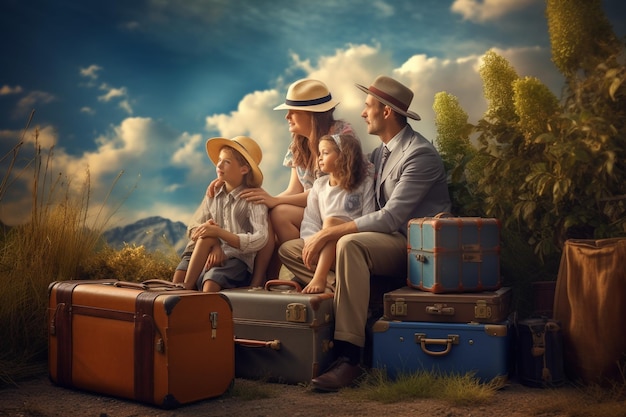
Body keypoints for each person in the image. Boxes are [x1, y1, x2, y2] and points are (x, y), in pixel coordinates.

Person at [279, 75, 452, 391]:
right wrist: (318, 229)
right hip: (383, 241)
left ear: (386, 112)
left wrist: (330, 234)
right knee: (293, 248)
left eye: (368, 106)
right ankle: (347, 294)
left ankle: (350, 358)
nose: (362, 113)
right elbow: (344, 187)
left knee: (348, 244)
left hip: (414, 248)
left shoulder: (419, 154)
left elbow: (391, 217)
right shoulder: (378, 155)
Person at [208, 79, 360, 285]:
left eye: (293, 111)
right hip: (314, 211)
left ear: (312, 114)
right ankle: (264, 279)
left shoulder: (340, 136)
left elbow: (327, 191)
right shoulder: (298, 143)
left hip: (339, 211)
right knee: (268, 211)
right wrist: (261, 199)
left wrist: (274, 201)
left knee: (279, 213)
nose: (287, 116)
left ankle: (305, 271)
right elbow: (294, 190)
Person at [172, 135, 269, 292]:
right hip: (207, 251)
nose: (219, 165)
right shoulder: (214, 192)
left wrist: (219, 233)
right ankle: (184, 292)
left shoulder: (252, 198)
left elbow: (260, 238)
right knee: (177, 278)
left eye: (227, 162)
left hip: (235, 258)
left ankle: (190, 294)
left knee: (210, 285)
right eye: (219, 160)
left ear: (244, 169)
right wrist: (215, 243)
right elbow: (193, 228)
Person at [289, 133, 375, 294]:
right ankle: (333, 282)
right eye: (319, 153)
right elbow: (311, 221)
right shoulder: (319, 185)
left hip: (351, 243)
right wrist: (313, 242)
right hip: (323, 245)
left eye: (326, 153)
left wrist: (330, 232)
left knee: (330, 224)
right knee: (287, 250)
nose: (320, 158)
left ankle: (320, 277)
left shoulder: (364, 183)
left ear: (343, 156)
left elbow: (368, 217)